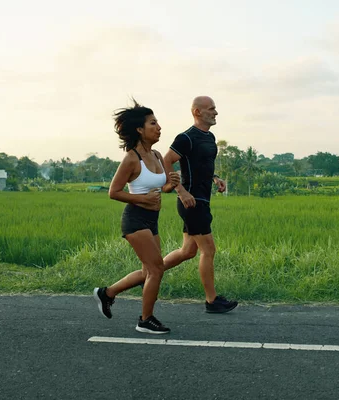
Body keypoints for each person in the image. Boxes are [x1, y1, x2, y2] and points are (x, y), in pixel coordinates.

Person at [94, 100, 180, 334]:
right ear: (140, 130)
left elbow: (160, 189)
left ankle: (107, 293)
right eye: (153, 123)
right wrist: (143, 200)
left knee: (149, 271)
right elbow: (114, 192)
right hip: (135, 220)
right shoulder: (132, 159)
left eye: (158, 122)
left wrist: (171, 185)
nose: (159, 127)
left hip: (152, 220)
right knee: (156, 270)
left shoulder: (157, 154)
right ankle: (145, 319)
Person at [162, 96, 238, 313]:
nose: (215, 113)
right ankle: (212, 301)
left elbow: (200, 163)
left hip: (202, 199)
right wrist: (181, 190)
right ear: (197, 112)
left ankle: (150, 272)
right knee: (209, 250)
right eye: (211, 109)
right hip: (191, 202)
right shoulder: (186, 137)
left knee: (187, 251)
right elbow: (167, 161)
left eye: (215, 109)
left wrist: (215, 177)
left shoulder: (209, 137)